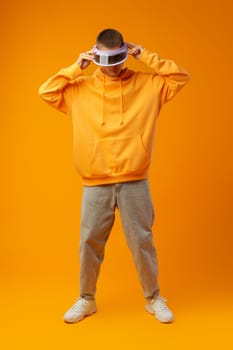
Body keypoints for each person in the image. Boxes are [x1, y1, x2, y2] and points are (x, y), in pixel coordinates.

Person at [39, 28, 190, 324]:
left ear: (125, 52)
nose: (112, 65)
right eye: (105, 59)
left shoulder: (148, 85)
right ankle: (86, 298)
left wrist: (143, 54)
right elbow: (46, 92)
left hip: (136, 179)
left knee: (142, 242)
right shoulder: (79, 88)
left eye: (117, 57)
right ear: (95, 56)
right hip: (95, 180)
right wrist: (75, 67)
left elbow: (179, 77)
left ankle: (153, 297)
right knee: (89, 242)